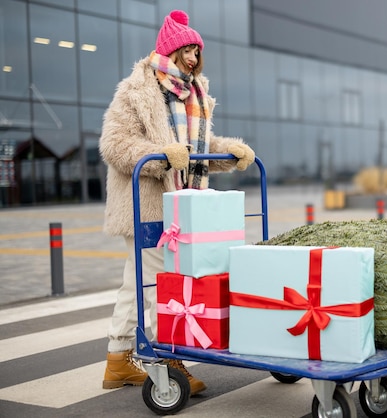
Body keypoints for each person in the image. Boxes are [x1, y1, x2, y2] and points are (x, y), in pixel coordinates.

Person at [99, 10, 255, 396]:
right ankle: (168, 358)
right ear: (169, 50)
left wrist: (228, 151)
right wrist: (160, 155)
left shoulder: (194, 94)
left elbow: (193, 151)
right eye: (186, 50)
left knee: (137, 281)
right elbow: (114, 145)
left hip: (185, 205)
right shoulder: (137, 90)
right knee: (160, 283)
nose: (192, 58)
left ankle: (119, 360)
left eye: (196, 52)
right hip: (149, 203)